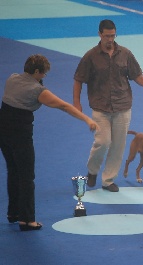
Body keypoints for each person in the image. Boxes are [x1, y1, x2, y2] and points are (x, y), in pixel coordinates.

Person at [0, 54, 99, 231]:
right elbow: (63, 106)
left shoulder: (12, 78)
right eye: (43, 74)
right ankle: (27, 220)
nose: (44, 77)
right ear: (37, 71)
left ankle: (13, 213)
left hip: (3, 130)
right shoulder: (37, 91)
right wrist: (87, 119)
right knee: (27, 176)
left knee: (13, 171)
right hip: (20, 133)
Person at [73, 19, 143, 193]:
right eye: (107, 36)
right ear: (100, 34)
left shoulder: (126, 54)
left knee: (118, 146)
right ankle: (92, 170)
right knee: (103, 142)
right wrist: (76, 103)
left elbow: (137, 76)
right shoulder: (90, 56)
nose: (110, 39)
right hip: (100, 108)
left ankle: (108, 180)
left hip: (123, 106)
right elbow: (78, 80)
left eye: (113, 35)